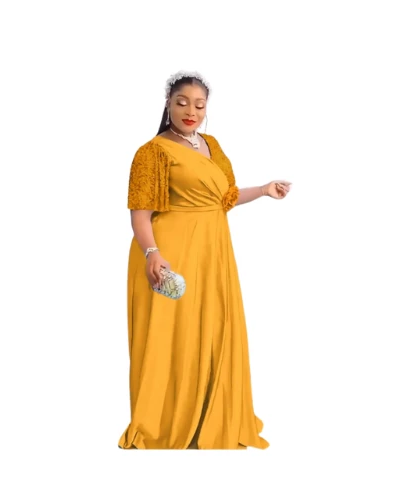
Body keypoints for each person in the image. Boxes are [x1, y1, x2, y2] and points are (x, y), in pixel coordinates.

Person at [117, 71, 292, 450]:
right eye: (182, 102)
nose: (191, 111)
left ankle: (208, 418)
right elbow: (139, 214)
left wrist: (264, 190)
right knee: (173, 337)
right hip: (170, 252)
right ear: (168, 104)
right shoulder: (152, 152)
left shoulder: (211, 145)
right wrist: (152, 253)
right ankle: (167, 422)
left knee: (213, 329)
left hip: (213, 252)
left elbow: (224, 198)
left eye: (199, 105)